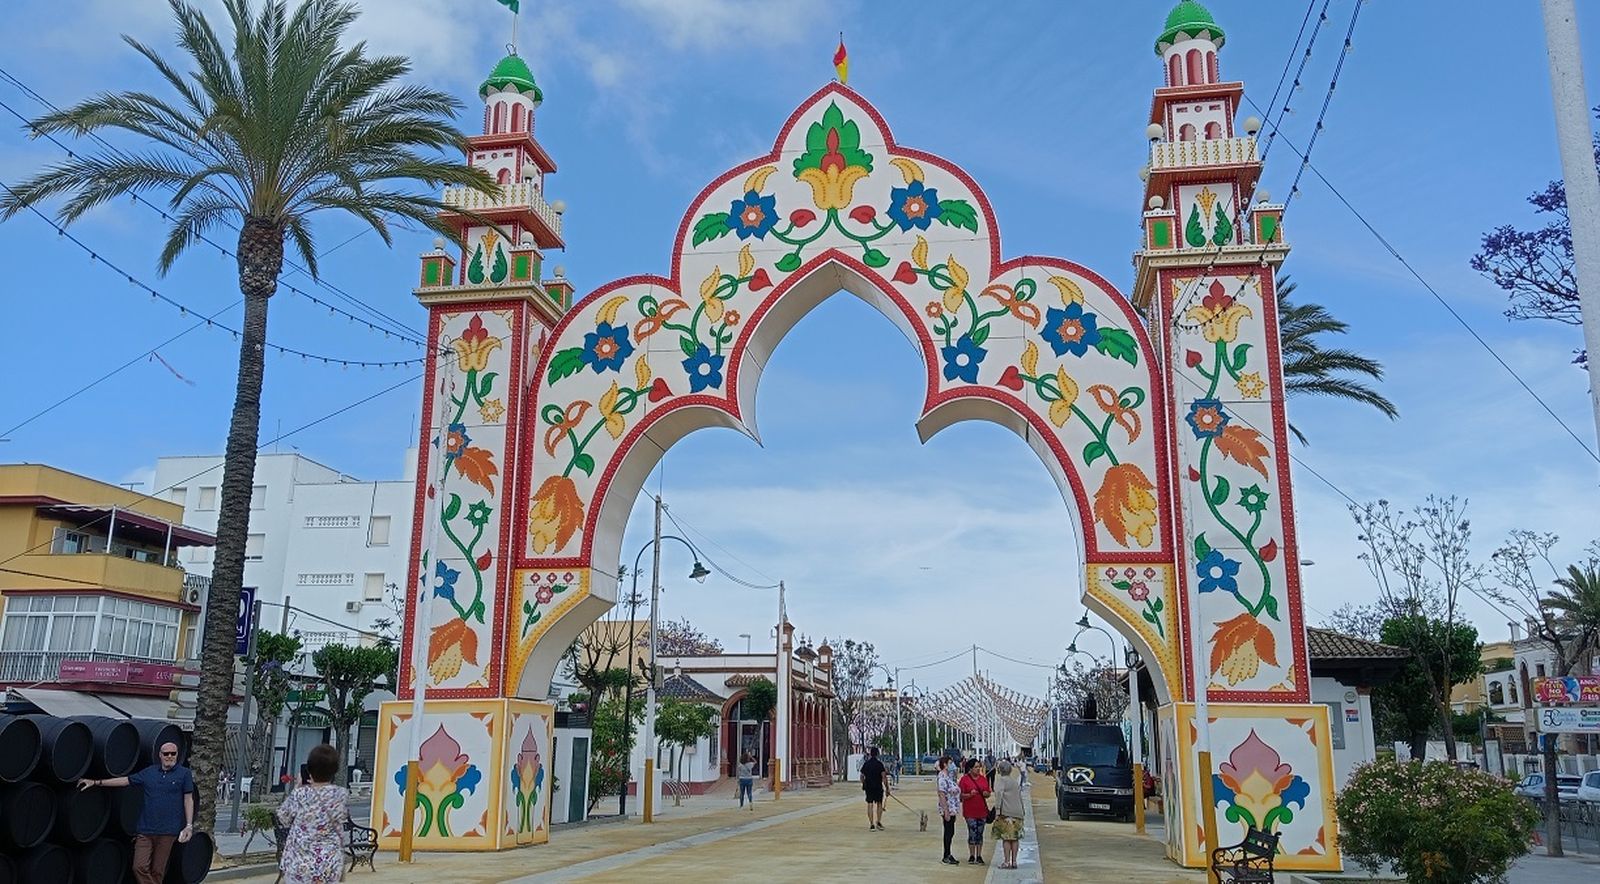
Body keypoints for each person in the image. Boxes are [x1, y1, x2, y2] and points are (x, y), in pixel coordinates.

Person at [79, 741, 196, 884]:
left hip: (168, 831)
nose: (170, 756)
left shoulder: (184, 774)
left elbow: (188, 799)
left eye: (173, 753)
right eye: (166, 753)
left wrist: (189, 825)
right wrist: (96, 782)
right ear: (160, 755)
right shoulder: (149, 772)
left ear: (177, 755)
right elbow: (125, 781)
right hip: (145, 830)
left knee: (158, 871)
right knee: (138, 866)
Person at [275, 744, 349, 884]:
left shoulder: (300, 794)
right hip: (329, 864)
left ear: (309, 769)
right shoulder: (340, 794)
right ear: (334, 770)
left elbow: (283, 817)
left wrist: (298, 787)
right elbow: (343, 816)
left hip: (299, 864)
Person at [992, 759, 1026, 869]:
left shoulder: (1001, 781)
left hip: (1006, 812)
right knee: (1015, 838)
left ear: (999, 770)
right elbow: (1019, 797)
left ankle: (1006, 861)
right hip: (1017, 812)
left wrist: (997, 811)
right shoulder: (1014, 782)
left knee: (1006, 838)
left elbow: (999, 796)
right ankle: (1014, 861)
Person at [958, 757, 992, 865]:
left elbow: (988, 792)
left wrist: (986, 793)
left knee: (980, 834)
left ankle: (979, 855)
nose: (978, 769)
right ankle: (972, 855)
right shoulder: (964, 780)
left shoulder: (983, 779)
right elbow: (960, 796)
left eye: (979, 767)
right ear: (970, 768)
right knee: (972, 832)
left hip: (982, 811)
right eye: (976, 767)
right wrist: (969, 795)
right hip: (970, 811)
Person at [934, 755, 962, 865]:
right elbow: (941, 794)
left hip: (952, 807)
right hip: (948, 808)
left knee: (951, 831)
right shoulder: (942, 777)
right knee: (948, 831)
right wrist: (946, 811)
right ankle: (946, 855)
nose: (952, 765)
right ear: (945, 764)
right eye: (950, 763)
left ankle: (949, 853)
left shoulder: (948, 777)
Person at [859, 746, 888, 830]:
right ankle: (878, 822)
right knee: (879, 804)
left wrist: (864, 783)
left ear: (870, 754)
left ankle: (872, 824)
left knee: (870, 804)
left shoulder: (866, 764)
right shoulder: (879, 764)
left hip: (869, 787)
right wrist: (887, 788)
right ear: (877, 754)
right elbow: (884, 777)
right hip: (878, 787)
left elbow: (861, 776)